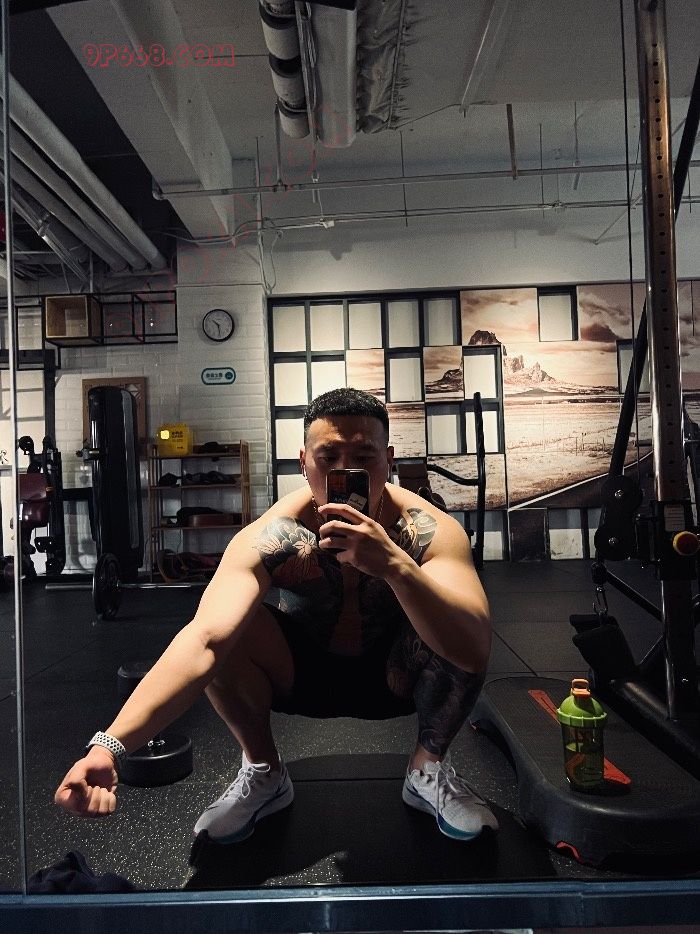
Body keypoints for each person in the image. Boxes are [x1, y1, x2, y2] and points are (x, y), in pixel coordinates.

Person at [55, 387, 498, 843]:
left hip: (399, 678)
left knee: (461, 618)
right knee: (230, 627)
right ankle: (264, 771)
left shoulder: (429, 530)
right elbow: (205, 639)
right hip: (303, 678)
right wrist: (109, 746)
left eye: (364, 457)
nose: (345, 471)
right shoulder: (272, 535)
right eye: (329, 457)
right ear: (304, 462)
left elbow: (474, 644)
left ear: (389, 461)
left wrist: (396, 568)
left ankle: (427, 768)